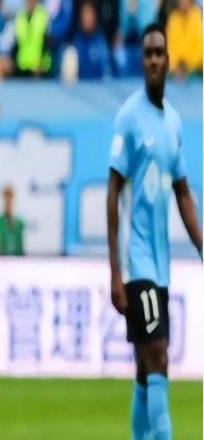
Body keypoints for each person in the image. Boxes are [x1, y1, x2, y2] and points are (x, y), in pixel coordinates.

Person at [107, 23, 202, 440]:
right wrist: (115, 272)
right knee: (159, 356)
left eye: (159, 53)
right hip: (138, 263)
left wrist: (201, 245)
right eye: (147, 53)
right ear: (142, 60)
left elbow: (182, 191)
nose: (153, 60)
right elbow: (112, 192)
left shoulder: (173, 123)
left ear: (168, 59)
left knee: (146, 368)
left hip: (161, 268)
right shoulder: (129, 117)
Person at [0, 0, 51, 81]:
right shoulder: (19, 16)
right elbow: (7, 42)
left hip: (38, 65)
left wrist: (41, 63)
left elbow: (49, 45)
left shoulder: (45, 16)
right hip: (20, 64)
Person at [166, 0, 203, 79]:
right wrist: (175, 66)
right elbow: (169, 46)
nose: (182, 2)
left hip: (194, 69)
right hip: (175, 69)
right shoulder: (173, 18)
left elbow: (199, 48)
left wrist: (187, 66)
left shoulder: (198, 17)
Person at [72, 0, 109, 79]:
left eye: (90, 15)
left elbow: (105, 70)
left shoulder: (100, 41)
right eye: (85, 14)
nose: (88, 18)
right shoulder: (75, 43)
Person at [0, 186, 25, 255]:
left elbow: (22, 248)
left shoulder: (20, 223)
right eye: (6, 200)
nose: (8, 203)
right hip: (1, 259)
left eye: (10, 200)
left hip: (17, 260)